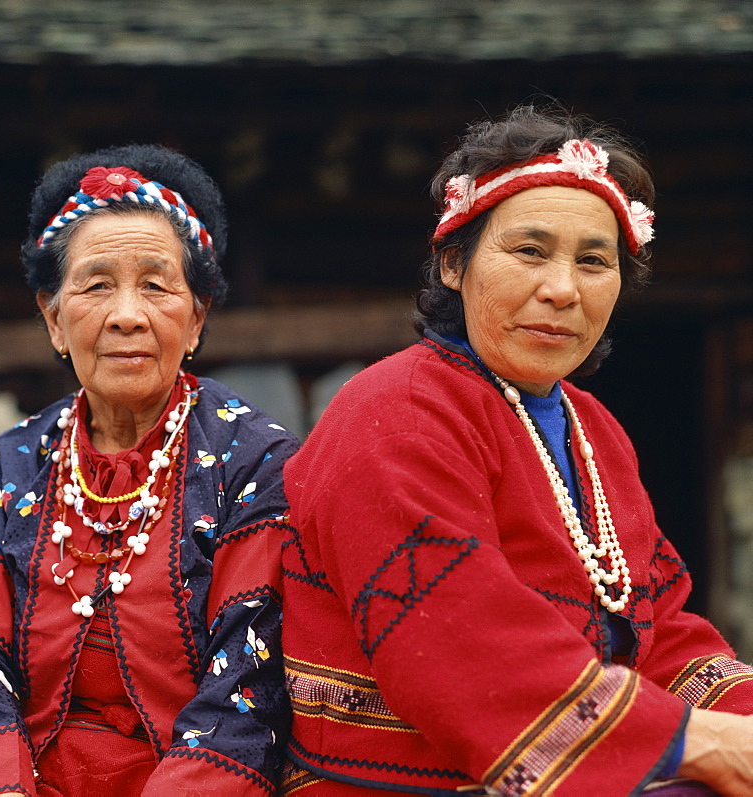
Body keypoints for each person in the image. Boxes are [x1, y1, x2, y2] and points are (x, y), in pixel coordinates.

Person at [280, 105, 753, 796]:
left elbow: (661, 623)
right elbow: (459, 639)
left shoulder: (593, 430)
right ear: (452, 263)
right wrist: (692, 739)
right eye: (530, 251)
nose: (562, 288)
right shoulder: (395, 412)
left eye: (594, 260)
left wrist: (737, 714)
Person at [0, 144, 298, 795]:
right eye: (96, 285)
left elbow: (249, 690)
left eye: (156, 284)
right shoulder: (9, 464)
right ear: (54, 318)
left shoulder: (253, 463)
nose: (127, 313)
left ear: (197, 316)